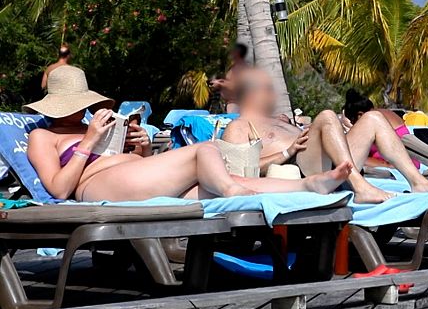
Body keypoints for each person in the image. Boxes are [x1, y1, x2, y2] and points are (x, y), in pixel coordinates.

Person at [26, 66, 351, 202]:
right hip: (95, 186)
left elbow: (139, 167)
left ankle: (308, 186)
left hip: (133, 175)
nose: (76, 109)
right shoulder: (44, 137)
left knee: (206, 188)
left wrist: (141, 147)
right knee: (204, 151)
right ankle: (231, 193)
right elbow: (58, 189)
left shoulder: (90, 127)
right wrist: (88, 142)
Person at [222, 70, 428, 204]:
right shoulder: (238, 126)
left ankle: (418, 181)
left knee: (373, 117)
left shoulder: (278, 118)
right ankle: (361, 188)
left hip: (331, 163)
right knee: (326, 116)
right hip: (298, 170)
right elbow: (240, 175)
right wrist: (287, 151)